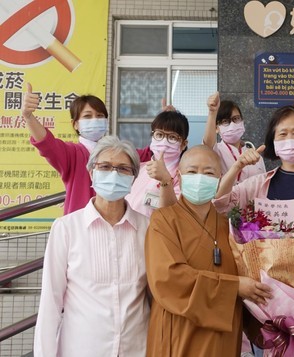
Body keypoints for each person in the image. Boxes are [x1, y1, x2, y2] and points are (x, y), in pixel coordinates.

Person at [145, 145, 272, 356]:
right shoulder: (163, 220)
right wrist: (234, 288)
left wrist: (273, 323)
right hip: (179, 333)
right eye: (192, 172)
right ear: (179, 175)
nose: (200, 178)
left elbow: (247, 279)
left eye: (209, 173)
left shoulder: (228, 227)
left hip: (223, 336)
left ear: (220, 177)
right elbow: (167, 278)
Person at [34, 136, 149, 357]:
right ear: (91, 172)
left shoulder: (147, 228)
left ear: (134, 178)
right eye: (105, 166)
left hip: (136, 348)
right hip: (81, 349)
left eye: (124, 169)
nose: (114, 174)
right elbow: (51, 301)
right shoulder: (66, 228)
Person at [22, 83, 152, 214]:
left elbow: (152, 153)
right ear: (75, 124)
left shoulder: (120, 152)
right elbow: (46, 143)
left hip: (116, 222)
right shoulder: (70, 153)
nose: (95, 120)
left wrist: (166, 123)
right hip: (79, 227)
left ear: (106, 121)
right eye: (87, 116)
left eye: (100, 116)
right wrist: (29, 117)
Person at [213, 105, 294, 214]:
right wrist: (236, 167)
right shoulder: (257, 185)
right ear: (274, 142)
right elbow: (221, 204)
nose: (290, 139)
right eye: (283, 134)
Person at [126, 110, 189, 217]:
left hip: (154, 231)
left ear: (183, 144)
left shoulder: (184, 176)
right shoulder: (140, 168)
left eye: (172, 137)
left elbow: (175, 213)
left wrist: (166, 180)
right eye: (159, 134)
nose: (164, 141)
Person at [203, 92, 266, 184]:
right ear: (216, 128)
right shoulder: (216, 151)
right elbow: (207, 145)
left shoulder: (255, 155)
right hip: (226, 198)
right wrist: (212, 112)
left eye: (236, 118)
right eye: (225, 121)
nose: (232, 124)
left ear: (242, 121)